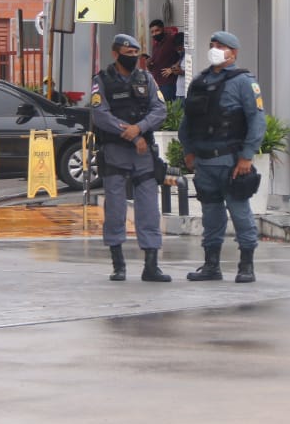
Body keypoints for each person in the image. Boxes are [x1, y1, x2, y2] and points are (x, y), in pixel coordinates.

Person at [179, 30, 265, 283]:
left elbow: (257, 120)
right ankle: (211, 265)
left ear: (233, 52)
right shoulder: (199, 81)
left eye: (221, 45)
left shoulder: (244, 81)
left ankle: (246, 265)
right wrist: (188, 151)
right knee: (210, 215)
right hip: (204, 161)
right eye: (212, 44)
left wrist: (247, 156)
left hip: (231, 161)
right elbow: (188, 121)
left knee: (240, 212)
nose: (215, 49)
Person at [90, 33, 170, 282]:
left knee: (149, 209)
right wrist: (133, 135)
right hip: (116, 152)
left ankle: (151, 266)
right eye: (128, 54)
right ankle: (118, 264)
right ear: (115, 54)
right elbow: (100, 115)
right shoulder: (102, 81)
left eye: (136, 53)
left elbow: (160, 110)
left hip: (144, 155)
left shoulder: (146, 78)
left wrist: (140, 128)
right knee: (115, 208)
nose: (133, 58)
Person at [147, 19, 184, 103]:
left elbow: (183, 55)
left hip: (169, 84)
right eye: (152, 32)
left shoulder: (171, 40)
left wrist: (172, 69)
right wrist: (149, 64)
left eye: (157, 30)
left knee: (168, 108)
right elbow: (155, 62)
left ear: (163, 29)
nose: (154, 34)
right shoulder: (156, 45)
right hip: (157, 83)